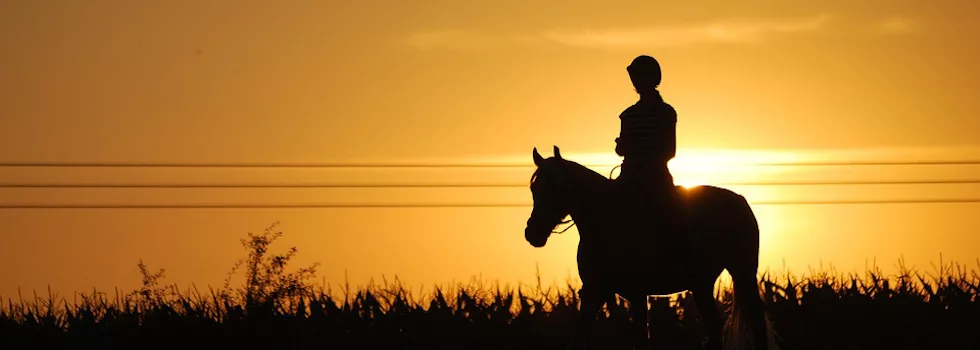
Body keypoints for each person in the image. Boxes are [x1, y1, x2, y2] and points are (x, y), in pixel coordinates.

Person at [614, 55, 686, 276]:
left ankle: (677, 259)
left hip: (655, 178)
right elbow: (621, 149)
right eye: (634, 77)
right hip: (628, 177)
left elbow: (669, 150)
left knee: (673, 216)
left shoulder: (665, 113)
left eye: (639, 76)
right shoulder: (628, 115)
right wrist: (622, 147)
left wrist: (644, 161)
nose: (635, 82)